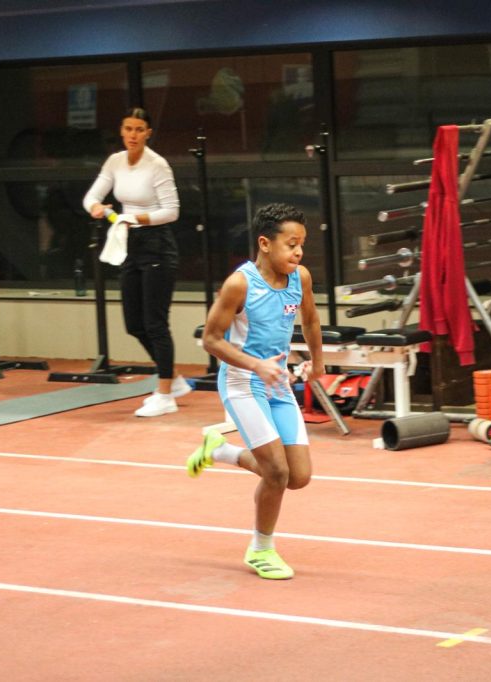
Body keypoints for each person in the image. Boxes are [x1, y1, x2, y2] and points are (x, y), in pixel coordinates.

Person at [185, 203, 325, 579]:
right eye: (291, 244)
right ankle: (261, 549)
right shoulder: (240, 284)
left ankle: (219, 451)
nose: (298, 252)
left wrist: (318, 362)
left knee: (298, 477)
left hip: (277, 385)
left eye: (302, 244)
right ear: (265, 243)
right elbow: (211, 339)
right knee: (276, 472)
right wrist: (255, 365)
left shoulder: (300, 278)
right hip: (242, 384)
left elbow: (311, 320)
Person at [83, 107, 191, 417]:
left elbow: (171, 212)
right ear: (121, 131)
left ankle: (165, 395)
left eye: (139, 129)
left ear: (148, 133)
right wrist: (96, 208)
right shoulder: (115, 161)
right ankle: (174, 378)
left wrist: (134, 217)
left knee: (155, 323)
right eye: (128, 128)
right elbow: (91, 197)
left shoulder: (158, 165)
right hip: (128, 243)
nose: (133, 135)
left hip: (157, 245)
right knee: (134, 324)